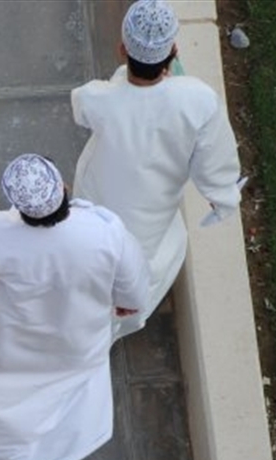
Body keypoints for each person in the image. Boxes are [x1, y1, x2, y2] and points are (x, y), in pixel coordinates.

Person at [0, 154, 149, 460]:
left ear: (19, 206)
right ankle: (67, 443)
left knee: (8, 390)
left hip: (14, 335)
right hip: (77, 332)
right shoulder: (104, 231)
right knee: (70, 385)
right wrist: (129, 302)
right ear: (62, 188)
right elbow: (132, 282)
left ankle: (13, 444)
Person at [72, 0, 243, 341]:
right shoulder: (199, 100)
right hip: (155, 206)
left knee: (90, 253)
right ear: (174, 51)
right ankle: (109, 328)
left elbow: (84, 110)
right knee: (143, 259)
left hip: (100, 192)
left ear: (122, 49)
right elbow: (214, 159)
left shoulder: (95, 97)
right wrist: (221, 197)